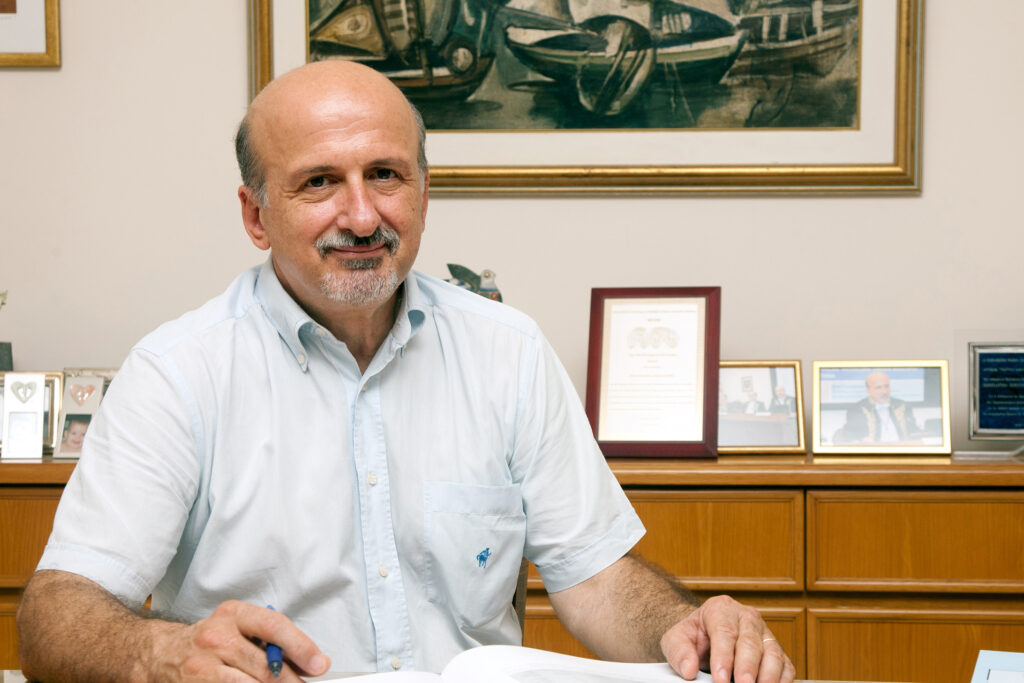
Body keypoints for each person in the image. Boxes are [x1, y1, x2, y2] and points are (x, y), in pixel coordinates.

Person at [16, 60, 794, 683]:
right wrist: (159, 653)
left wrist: (685, 626)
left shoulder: (507, 351)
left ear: (423, 191)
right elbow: (55, 613)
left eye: (385, 174)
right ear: (256, 215)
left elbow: (597, 581)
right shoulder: (177, 372)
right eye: (319, 182)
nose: (362, 217)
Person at [835, 371, 920, 443]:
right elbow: (849, 434)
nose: (884, 391)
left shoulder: (903, 406)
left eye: (886, 386)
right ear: (868, 390)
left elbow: (914, 431)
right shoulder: (856, 409)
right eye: (878, 388)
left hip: (901, 452)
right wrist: (861, 440)